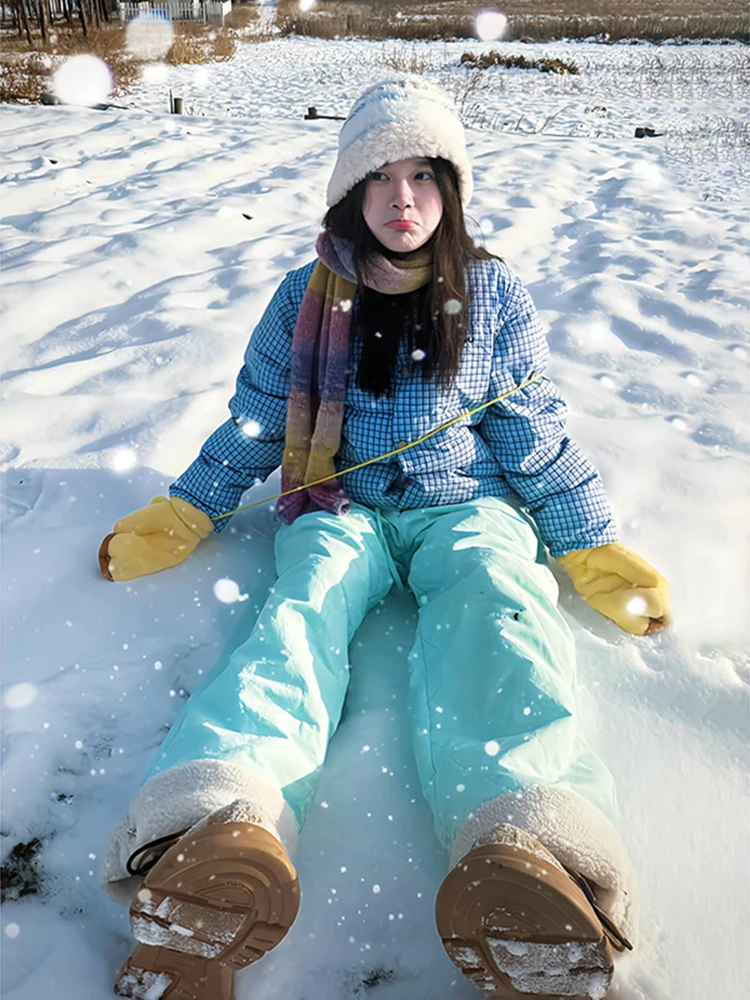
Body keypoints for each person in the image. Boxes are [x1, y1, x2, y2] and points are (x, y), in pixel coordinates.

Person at [100, 77, 670, 1000]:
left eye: (423, 176)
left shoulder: (492, 295)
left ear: (452, 190)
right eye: (379, 177)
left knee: (497, 609)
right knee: (301, 614)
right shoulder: (304, 296)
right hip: (341, 502)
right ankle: (211, 826)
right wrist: (191, 508)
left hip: (465, 505)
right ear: (349, 193)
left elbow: (530, 431)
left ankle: (535, 847)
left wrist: (587, 545)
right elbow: (257, 419)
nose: (403, 199)